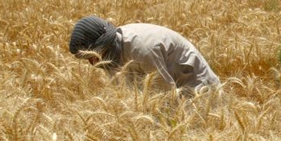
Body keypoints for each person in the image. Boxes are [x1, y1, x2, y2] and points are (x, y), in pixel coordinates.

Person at [69, 16, 220, 90]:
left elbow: (166, 93)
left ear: (104, 45)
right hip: (174, 84)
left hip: (197, 83)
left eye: (92, 56)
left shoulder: (142, 49)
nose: (92, 63)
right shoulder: (111, 52)